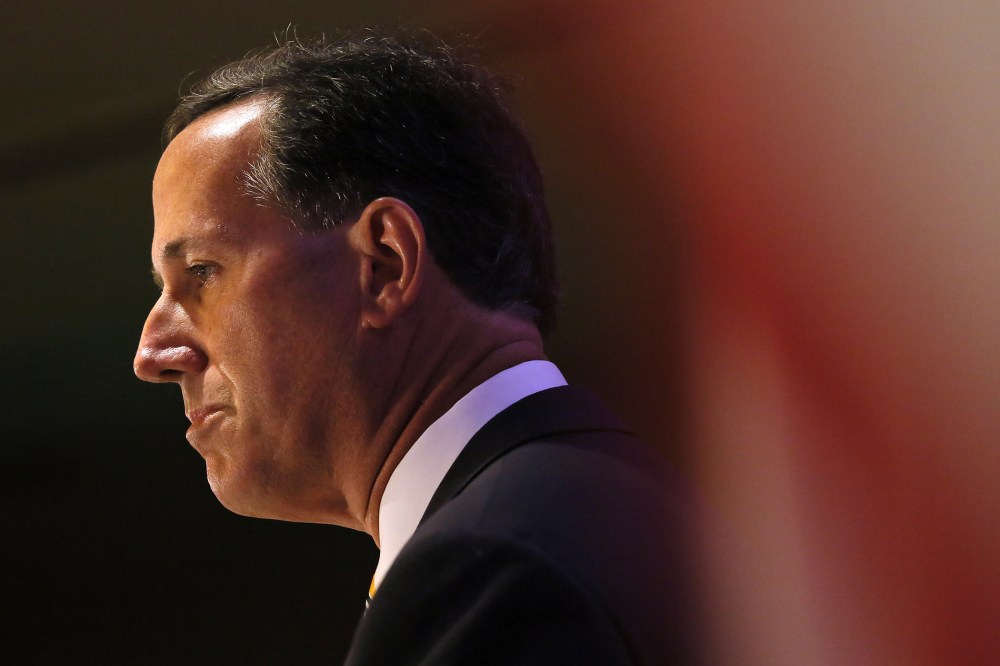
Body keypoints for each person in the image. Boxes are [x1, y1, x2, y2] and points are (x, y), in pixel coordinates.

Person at [133, 33, 698, 664]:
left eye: (203, 272)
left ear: (384, 263)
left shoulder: (494, 572)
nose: (153, 353)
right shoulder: (611, 516)